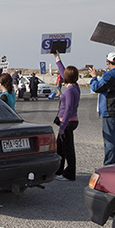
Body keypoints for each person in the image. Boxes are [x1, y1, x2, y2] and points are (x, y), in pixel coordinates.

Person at [51, 52, 80, 181]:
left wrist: (62, 127)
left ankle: (69, 174)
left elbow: (68, 109)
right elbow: (63, 72)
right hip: (71, 121)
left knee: (68, 149)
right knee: (61, 147)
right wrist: (57, 59)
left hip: (67, 122)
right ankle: (59, 171)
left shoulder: (69, 91)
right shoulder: (76, 87)